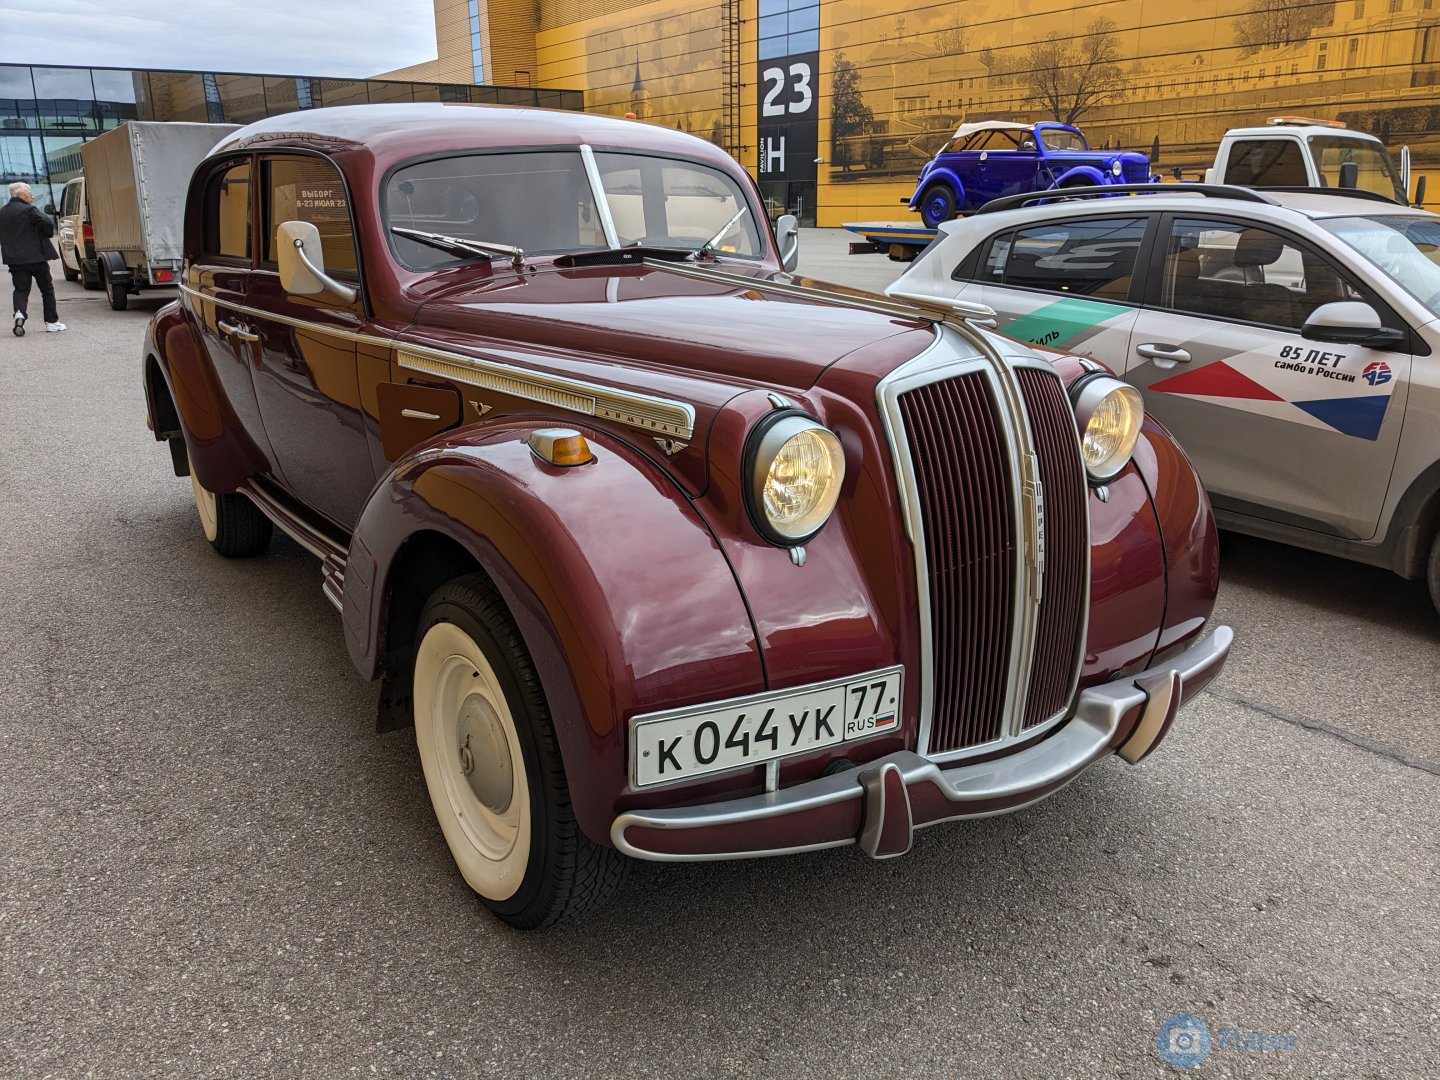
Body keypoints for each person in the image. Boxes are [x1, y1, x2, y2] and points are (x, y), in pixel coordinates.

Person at [0, 181, 66, 335]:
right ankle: (52, 322)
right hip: (36, 258)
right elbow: (47, 223)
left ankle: (19, 313)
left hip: (15, 260)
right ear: (19, 194)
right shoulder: (29, 210)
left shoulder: (2, 213)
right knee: (47, 289)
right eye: (29, 193)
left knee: (21, 289)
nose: (31, 196)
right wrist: (46, 232)